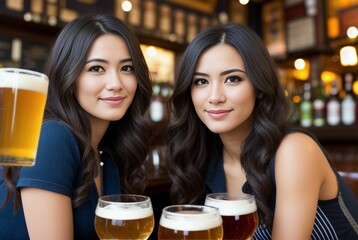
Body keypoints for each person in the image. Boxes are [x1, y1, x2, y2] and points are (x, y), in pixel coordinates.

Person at [166, 23, 358, 239]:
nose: (215, 96)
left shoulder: (294, 151)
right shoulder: (202, 159)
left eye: (232, 79)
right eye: (201, 81)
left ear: (259, 86)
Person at [0, 14, 152, 239]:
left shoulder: (107, 150)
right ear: (69, 78)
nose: (116, 84)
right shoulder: (54, 137)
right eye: (97, 68)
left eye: (127, 68)